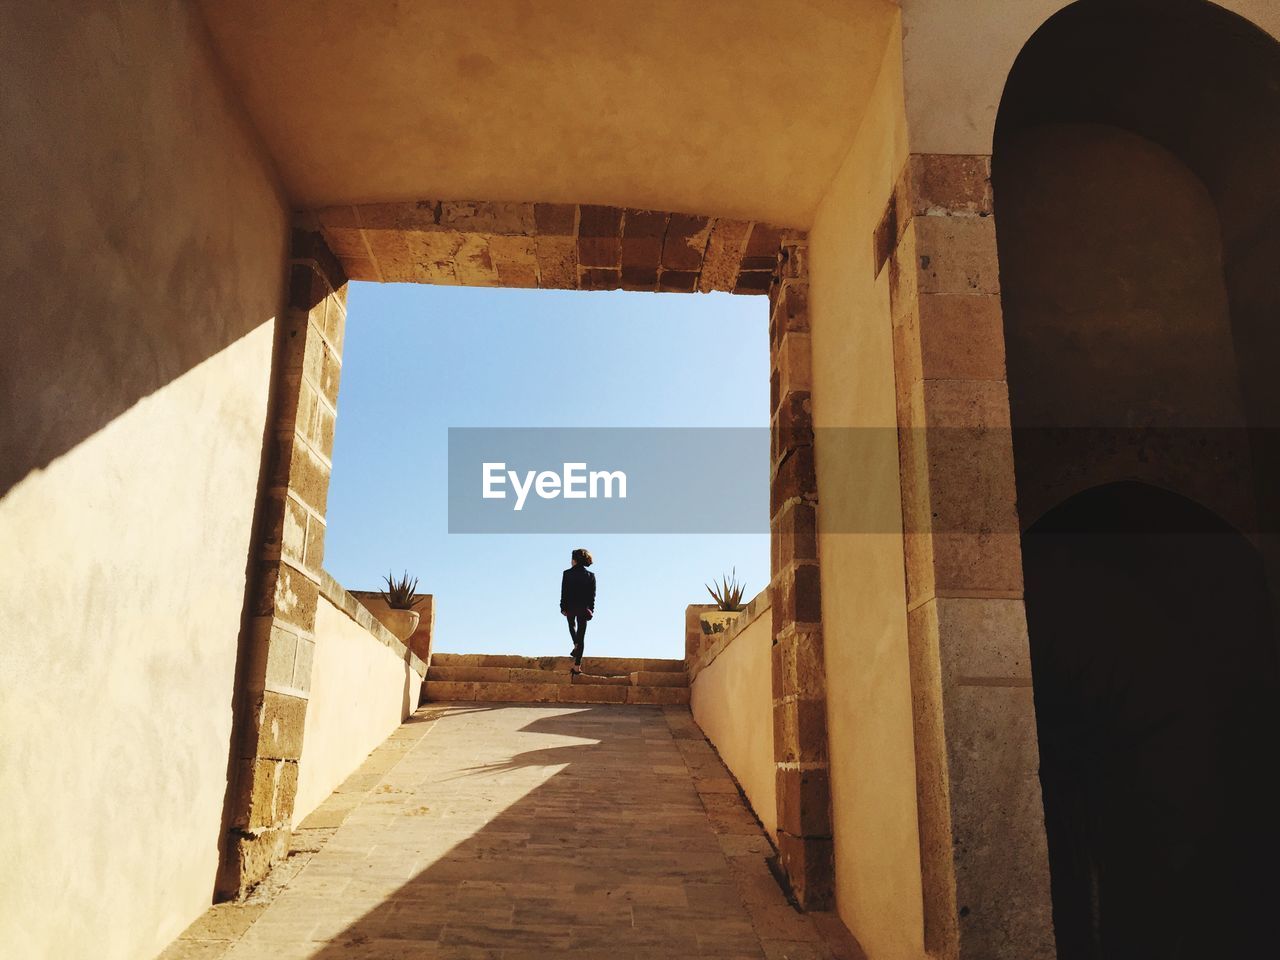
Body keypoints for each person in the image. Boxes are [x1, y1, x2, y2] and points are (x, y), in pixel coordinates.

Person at [560, 548, 595, 676]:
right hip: (583, 608)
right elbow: (592, 596)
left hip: (570, 606)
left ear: (574, 560)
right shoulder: (590, 575)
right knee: (582, 636)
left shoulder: (567, 573)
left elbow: (564, 592)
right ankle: (577, 666)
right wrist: (591, 610)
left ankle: (575, 644)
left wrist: (562, 607)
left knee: (571, 626)